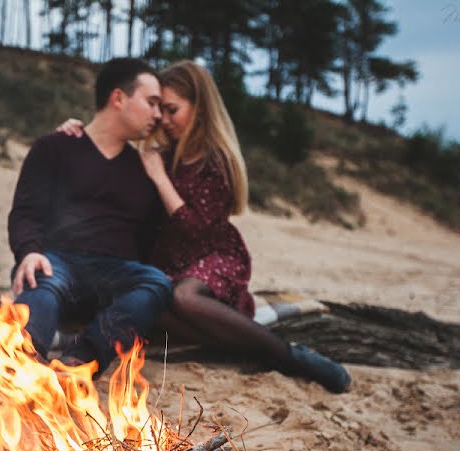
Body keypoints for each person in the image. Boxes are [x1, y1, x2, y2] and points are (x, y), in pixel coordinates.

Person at [57, 61, 351, 393]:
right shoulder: (161, 154)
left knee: (184, 297)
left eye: (172, 110)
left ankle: (289, 356)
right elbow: (111, 174)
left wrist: (158, 176)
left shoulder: (216, 160)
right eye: (159, 109)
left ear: (199, 106)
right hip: (167, 260)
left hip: (212, 255)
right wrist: (79, 137)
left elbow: (193, 229)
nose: (163, 120)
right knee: (148, 303)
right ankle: (242, 344)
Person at [8, 58, 173, 376]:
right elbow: (26, 212)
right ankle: (20, 359)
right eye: (151, 103)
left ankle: (80, 361)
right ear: (119, 98)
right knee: (41, 278)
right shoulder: (55, 147)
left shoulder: (145, 168)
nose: (157, 115)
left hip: (115, 273)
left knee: (155, 282)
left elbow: (152, 239)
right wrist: (28, 251)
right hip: (58, 262)